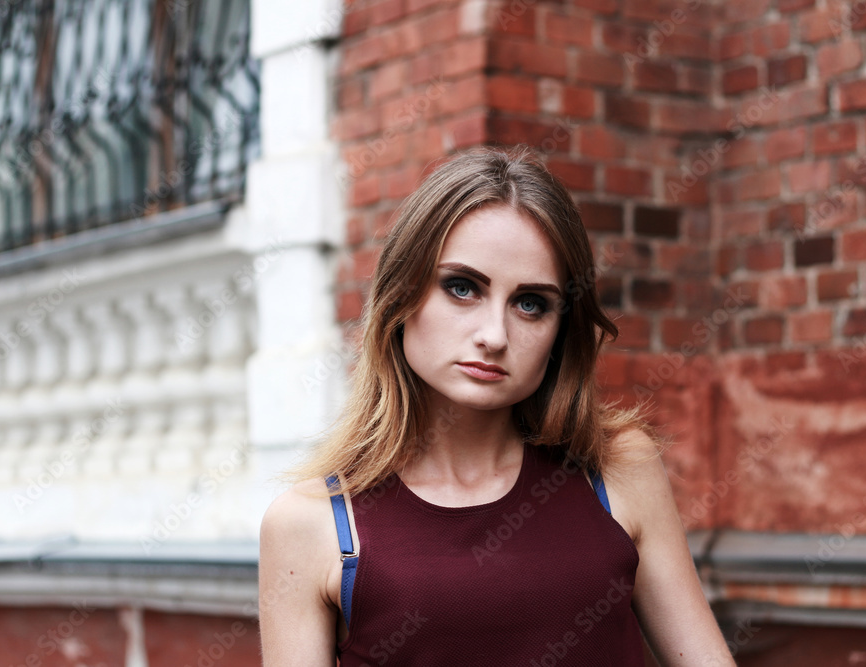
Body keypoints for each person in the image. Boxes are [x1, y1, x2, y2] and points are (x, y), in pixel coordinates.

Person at [258, 145, 737, 666]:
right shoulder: (313, 523)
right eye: (462, 288)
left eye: (531, 304)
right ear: (401, 295)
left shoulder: (618, 469)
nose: (494, 335)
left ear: (560, 330)